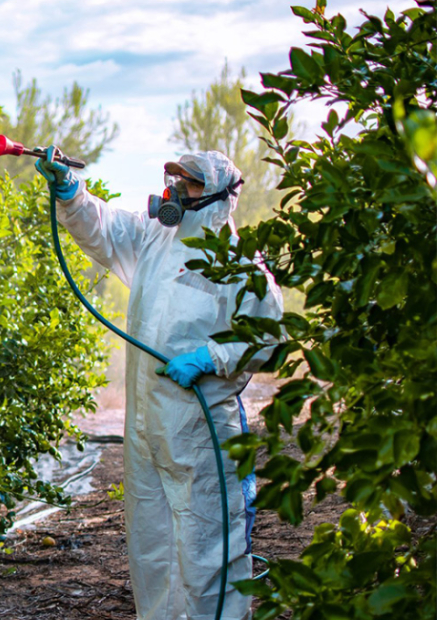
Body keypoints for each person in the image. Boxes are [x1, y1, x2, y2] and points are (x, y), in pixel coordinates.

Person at [35, 149, 283, 620]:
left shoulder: (240, 269)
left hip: (202, 436)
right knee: (152, 548)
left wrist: (211, 357)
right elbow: (105, 227)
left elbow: (268, 341)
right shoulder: (154, 238)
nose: (171, 192)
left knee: (210, 549)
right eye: (171, 179)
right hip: (148, 429)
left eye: (185, 185)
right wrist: (70, 193)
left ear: (214, 197)